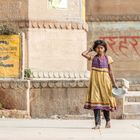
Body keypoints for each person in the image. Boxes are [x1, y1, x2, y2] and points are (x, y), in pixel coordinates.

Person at [81, 40, 118, 129]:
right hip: (95, 83)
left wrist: (114, 83)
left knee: (105, 103)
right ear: (95, 49)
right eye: (97, 48)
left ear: (105, 48)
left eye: (101, 47)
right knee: (96, 104)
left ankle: (108, 121)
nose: (99, 49)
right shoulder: (93, 57)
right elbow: (83, 54)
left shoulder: (108, 58)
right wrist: (90, 49)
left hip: (105, 83)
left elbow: (110, 72)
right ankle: (97, 124)